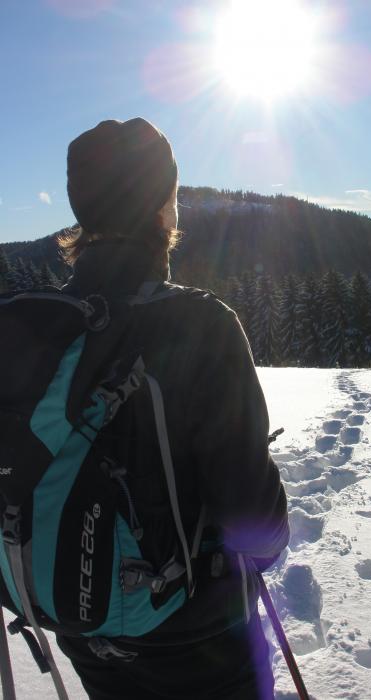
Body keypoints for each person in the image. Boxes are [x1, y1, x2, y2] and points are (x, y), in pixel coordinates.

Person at [56, 118, 290, 700]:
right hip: (197, 632)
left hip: (79, 618)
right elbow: (253, 518)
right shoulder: (201, 324)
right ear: (163, 209)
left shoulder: (34, 329)